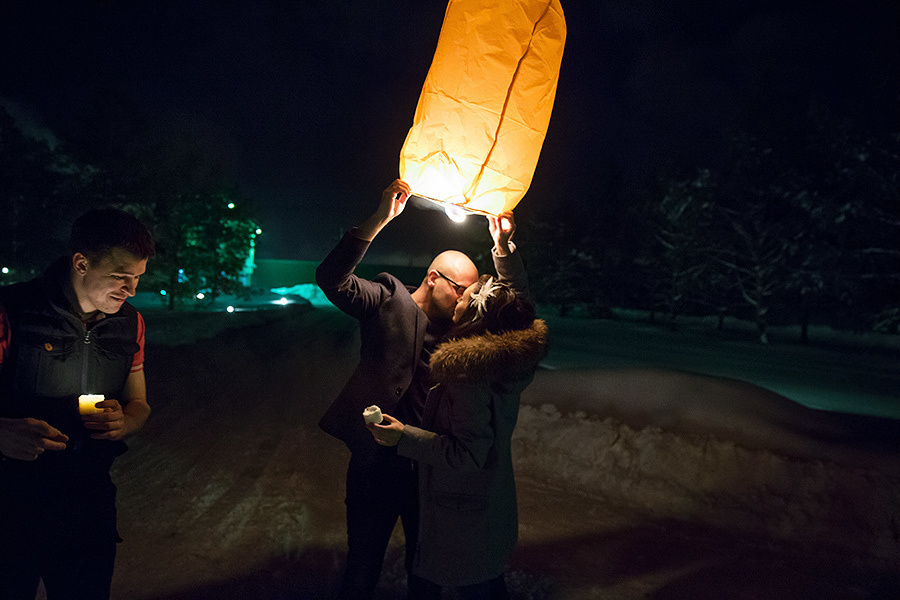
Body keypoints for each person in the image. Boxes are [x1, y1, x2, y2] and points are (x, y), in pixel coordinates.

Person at [316, 179, 528, 599]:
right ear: (433, 278)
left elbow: (519, 307)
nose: (467, 298)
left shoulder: (466, 329)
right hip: (375, 465)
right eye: (460, 289)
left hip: (428, 470)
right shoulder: (387, 300)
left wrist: (502, 249)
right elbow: (331, 279)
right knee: (362, 567)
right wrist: (379, 221)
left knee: (426, 575)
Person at [0, 208, 155, 600]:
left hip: (87, 509)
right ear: (81, 263)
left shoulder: (130, 323)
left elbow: (139, 404)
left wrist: (127, 421)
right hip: (10, 507)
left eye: (137, 278)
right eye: (121, 277)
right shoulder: (12, 312)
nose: (131, 290)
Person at [367, 274, 547, 599]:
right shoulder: (507, 361)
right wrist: (503, 245)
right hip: (487, 503)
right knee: (487, 582)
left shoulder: (467, 374)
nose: (458, 297)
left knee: (476, 586)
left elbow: (467, 453)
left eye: (467, 295)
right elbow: (513, 298)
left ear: (476, 313)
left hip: (465, 512)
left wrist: (402, 437)